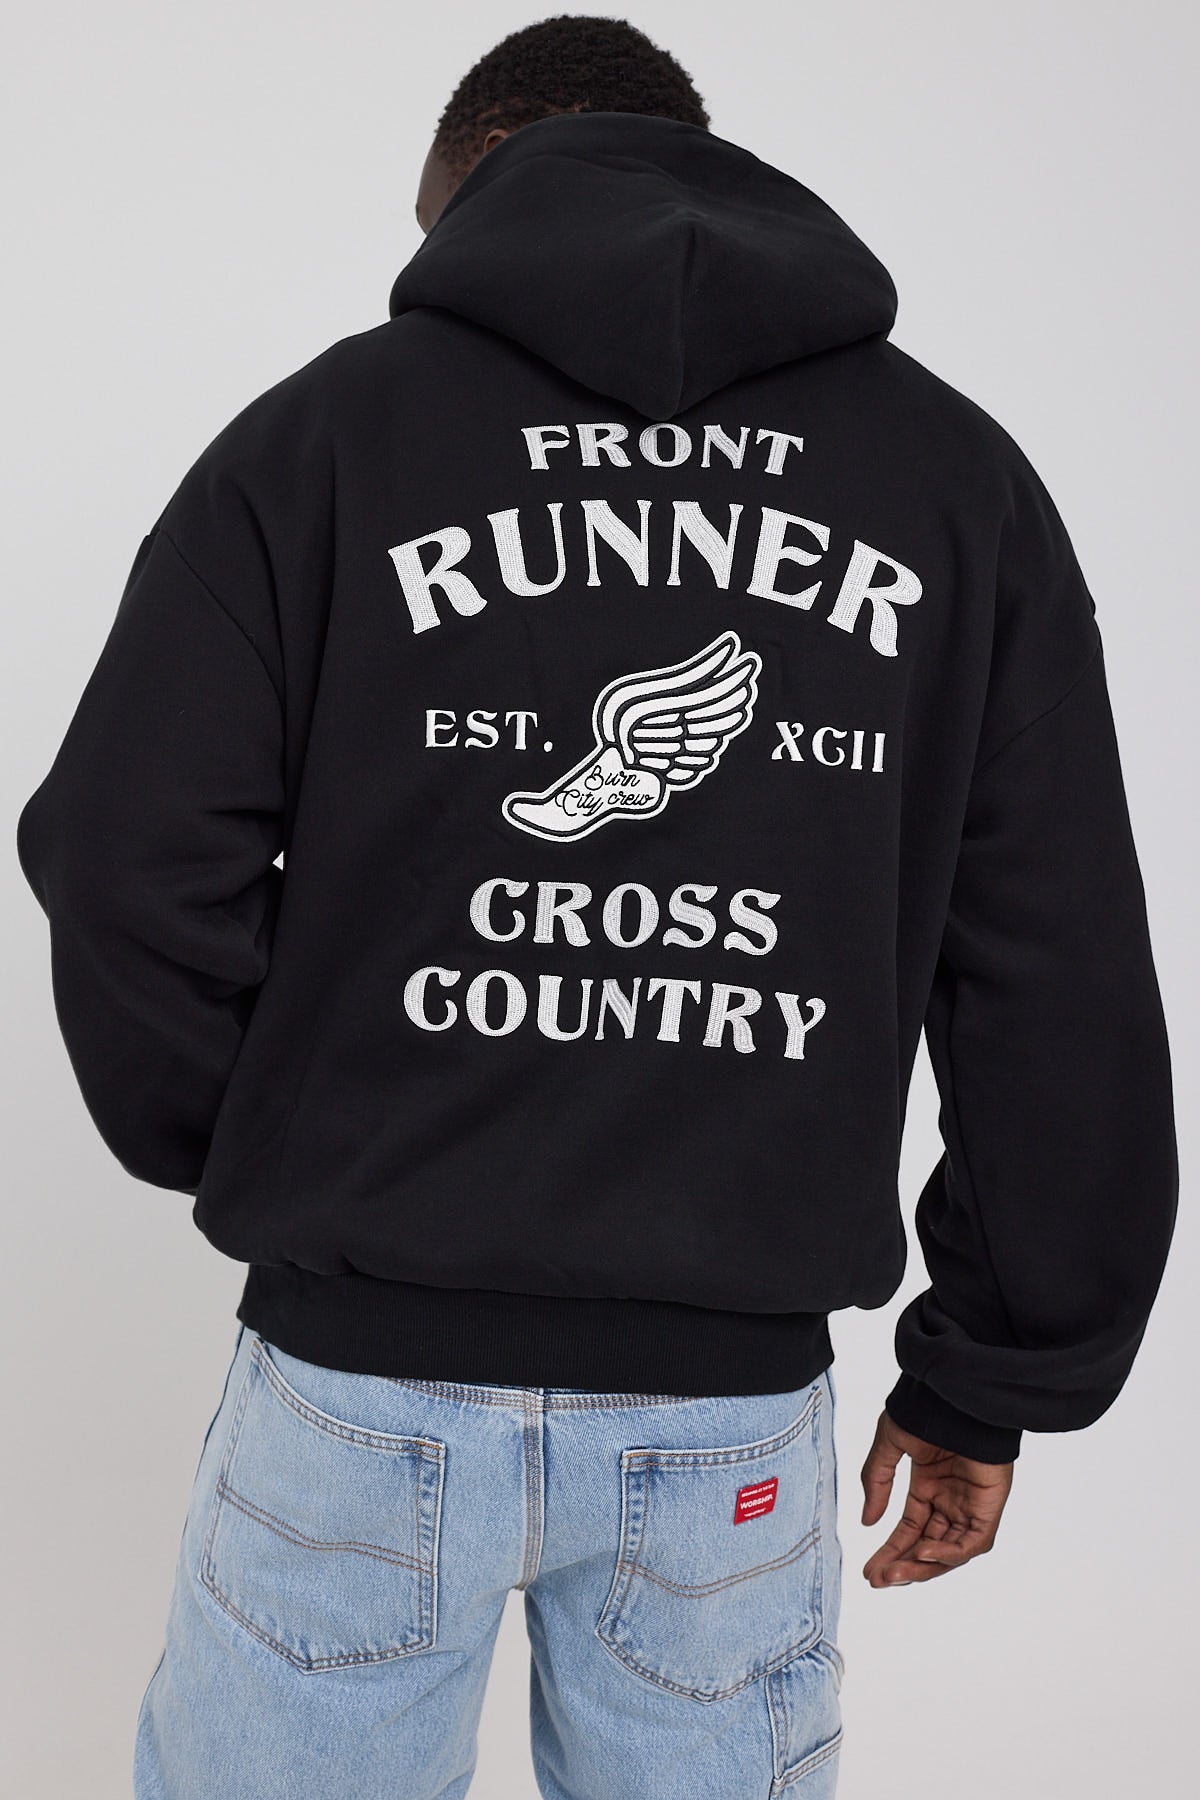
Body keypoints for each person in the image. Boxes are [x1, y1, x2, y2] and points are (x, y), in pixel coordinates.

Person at [15, 14, 1178, 1799]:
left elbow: (123, 849)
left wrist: (273, 1139)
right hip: (731, 1423)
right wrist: (991, 1373)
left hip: (356, 1386)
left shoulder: (330, 437)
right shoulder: (957, 484)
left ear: (465, 198)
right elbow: (1055, 965)